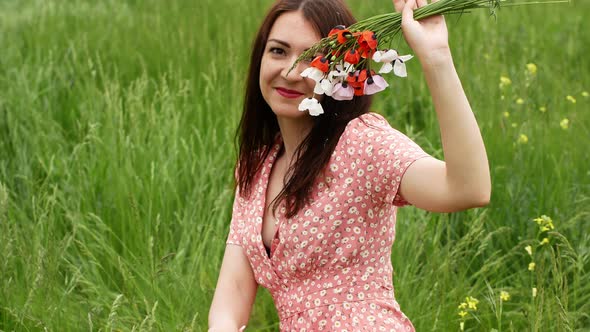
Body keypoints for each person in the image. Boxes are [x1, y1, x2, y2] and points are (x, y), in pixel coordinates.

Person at [208, 0, 491, 330]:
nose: (290, 72)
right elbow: (232, 297)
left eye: (313, 57)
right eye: (278, 51)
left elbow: (467, 188)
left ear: (343, 70)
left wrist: (437, 58)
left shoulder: (361, 144)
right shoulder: (255, 167)